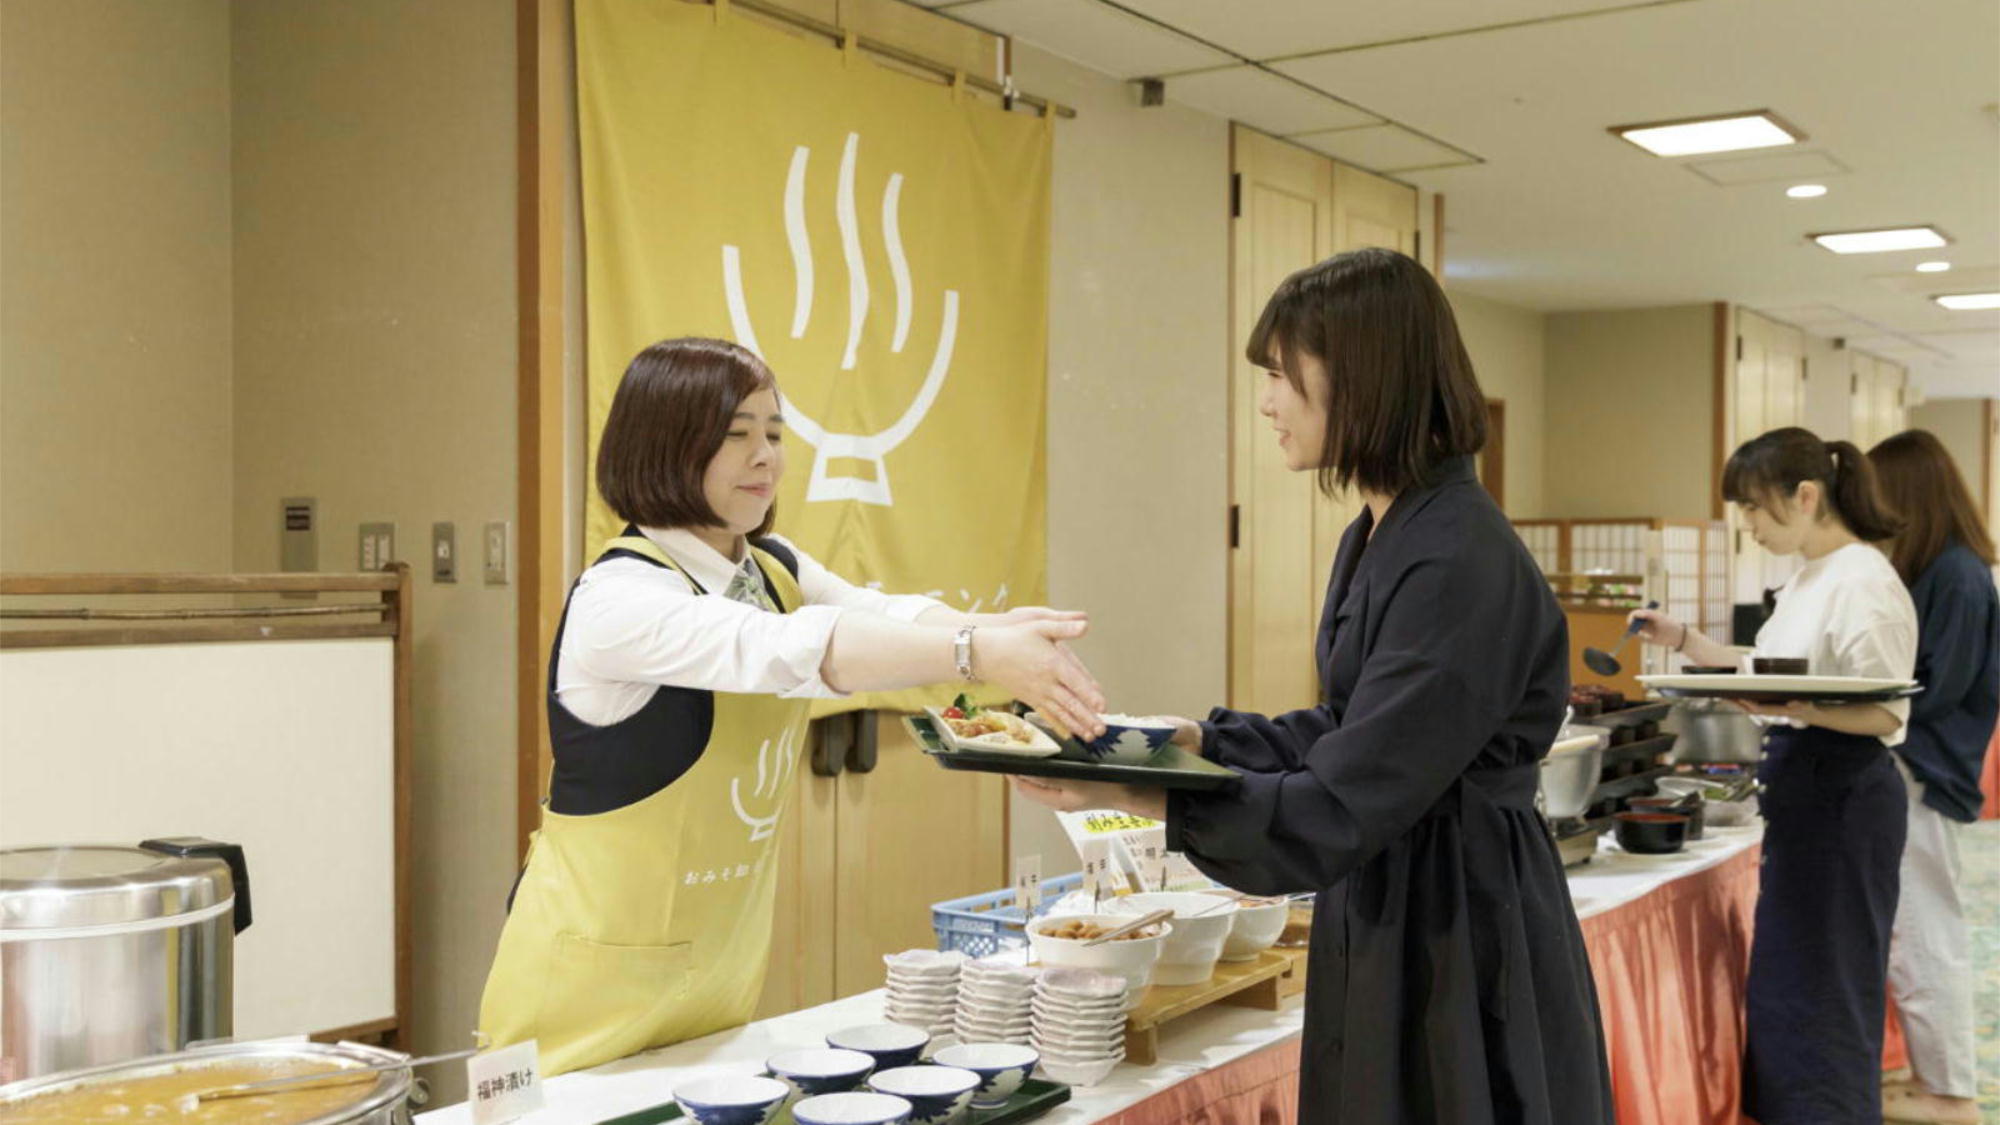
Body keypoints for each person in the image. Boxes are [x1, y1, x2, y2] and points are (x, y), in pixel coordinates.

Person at [1014, 248, 1613, 1124]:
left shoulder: (1458, 557)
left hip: (1459, 918)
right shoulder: (1380, 530)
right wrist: (1199, 743)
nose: (1266, 401)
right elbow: (1349, 725)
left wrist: (1139, 789)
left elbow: (1342, 800)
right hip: (1393, 891)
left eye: (1280, 375)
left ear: (1364, 376)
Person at [479, 337, 1106, 1075]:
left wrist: (998, 631)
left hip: (712, 981)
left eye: (773, 432)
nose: (764, 457)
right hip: (582, 996)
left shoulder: (772, 563)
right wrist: (977, 653)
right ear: (661, 445)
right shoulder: (620, 596)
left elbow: (878, 612)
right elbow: (789, 649)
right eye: (735, 434)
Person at [1631, 426, 1915, 1125]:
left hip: (1845, 794)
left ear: (1807, 496)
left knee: (1830, 982)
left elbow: (1884, 713)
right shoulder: (1809, 576)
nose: (1748, 527)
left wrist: (1794, 706)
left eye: (1755, 510)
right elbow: (1768, 662)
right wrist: (1687, 644)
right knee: (1791, 982)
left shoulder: (1865, 580)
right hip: (1806, 789)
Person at [1866, 429, 1996, 1125]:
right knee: (1915, 929)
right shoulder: (1945, 570)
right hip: (1919, 769)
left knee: (1925, 932)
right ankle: (1934, 1077)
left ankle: (1947, 1092)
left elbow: (1934, 688)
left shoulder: (1957, 575)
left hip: (1925, 770)